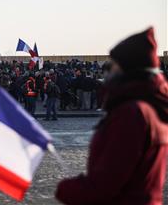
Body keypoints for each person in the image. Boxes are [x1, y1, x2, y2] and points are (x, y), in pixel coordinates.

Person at [55, 27, 168, 204]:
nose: (108, 71)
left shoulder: (132, 113)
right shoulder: (153, 108)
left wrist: (65, 189)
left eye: (113, 64)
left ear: (127, 69)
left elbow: (105, 184)